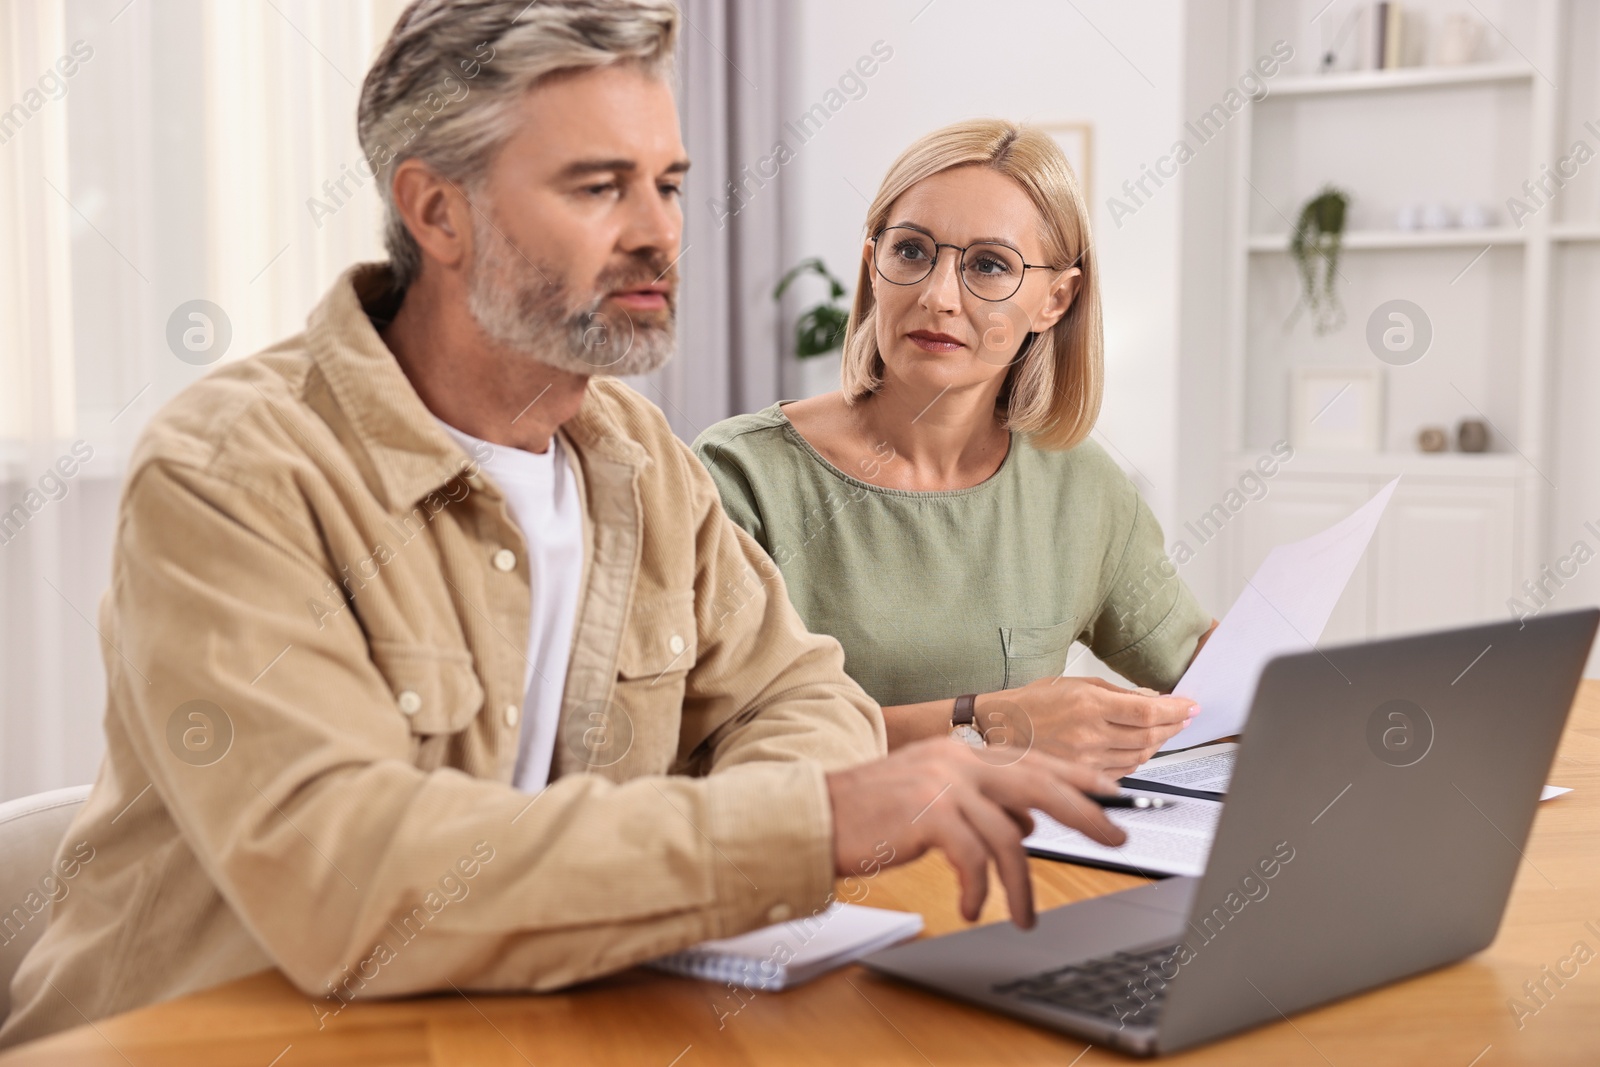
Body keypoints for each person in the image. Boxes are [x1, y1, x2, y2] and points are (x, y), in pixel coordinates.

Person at [0, 3, 1127, 1049]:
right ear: (435, 209)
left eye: (669, 185)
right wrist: (800, 824)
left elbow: (802, 696)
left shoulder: (638, 465)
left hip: (533, 1023)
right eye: (598, 188)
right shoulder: (233, 469)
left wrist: (775, 818)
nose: (659, 234)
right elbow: (353, 882)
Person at [694, 120, 1218, 777]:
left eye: (989, 265)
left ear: (1056, 298)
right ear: (873, 268)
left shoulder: (1081, 487)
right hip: (807, 872)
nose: (939, 297)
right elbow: (712, 740)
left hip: (1021, 868)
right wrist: (985, 722)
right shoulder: (741, 476)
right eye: (912, 252)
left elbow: (1201, 669)